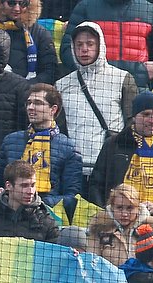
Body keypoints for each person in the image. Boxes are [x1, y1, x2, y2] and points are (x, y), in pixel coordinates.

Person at [88, 91, 153, 225]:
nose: (152, 121)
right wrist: (108, 214)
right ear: (134, 117)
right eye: (146, 114)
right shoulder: (113, 144)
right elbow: (95, 185)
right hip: (114, 223)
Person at [55, 22, 138, 174]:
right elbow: (60, 128)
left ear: (100, 45)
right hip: (74, 167)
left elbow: (132, 121)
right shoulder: (62, 84)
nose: (84, 49)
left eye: (90, 44)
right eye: (79, 44)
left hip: (111, 166)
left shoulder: (122, 78)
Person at [0, 84, 83, 215]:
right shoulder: (10, 140)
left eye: (38, 103)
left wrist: (41, 203)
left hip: (46, 216)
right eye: (29, 103)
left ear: (53, 109)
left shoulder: (68, 148)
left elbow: (72, 196)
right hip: (7, 213)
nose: (31, 107)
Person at [59, 0, 153, 89]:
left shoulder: (148, 9)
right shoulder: (86, 7)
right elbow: (67, 49)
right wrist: (89, 71)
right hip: (94, 87)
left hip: (137, 86)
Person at [0, 160, 60, 242]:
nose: (30, 191)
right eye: (24, 186)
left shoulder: (48, 223)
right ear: (8, 186)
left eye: (33, 185)